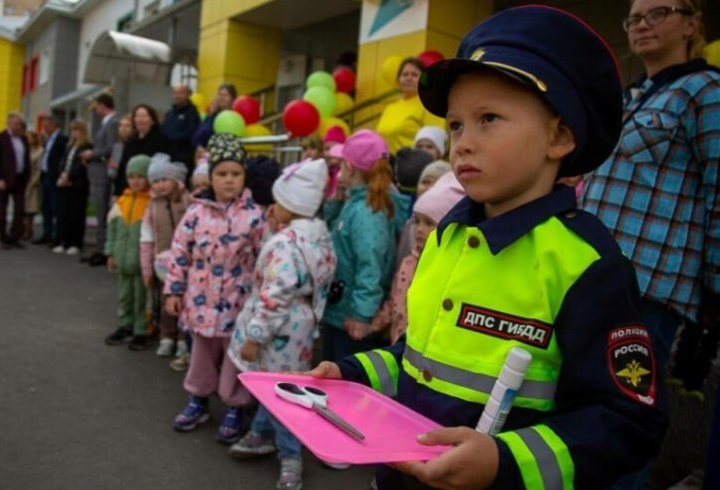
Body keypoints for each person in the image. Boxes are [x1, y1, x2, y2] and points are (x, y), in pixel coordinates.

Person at [308, 7, 667, 489]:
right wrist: (353, 374)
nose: (462, 144)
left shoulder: (586, 265)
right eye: (456, 125)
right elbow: (420, 361)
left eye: (488, 119)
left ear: (559, 136)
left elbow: (627, 422)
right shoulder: (445, 236)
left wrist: (504, 460)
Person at [582, 0, 719, 394]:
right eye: (634, 19)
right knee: (581, 402)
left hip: (649, 287)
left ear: (691, 23)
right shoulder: (633, 95)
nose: (642, 25)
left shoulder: (706, 90)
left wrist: (715, 288)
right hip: (594, 272)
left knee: (625, 410)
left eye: (658, 14)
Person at [227, 158, 337, 490]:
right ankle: (261, 433)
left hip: (278, 330)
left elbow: (274, 296)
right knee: (276, 386)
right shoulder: (319, 237)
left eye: (279, 202)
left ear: (290, 206)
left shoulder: (284, 244)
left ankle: (291, 457)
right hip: (301, 327)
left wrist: (255, 336)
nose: (273, 207)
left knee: (283, 395)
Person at [165, 133, 266, 443]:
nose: (229, 180)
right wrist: (173, 290)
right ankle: (198, 399)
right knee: (201, 355)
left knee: (234, 358)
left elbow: (266, 259)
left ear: (244, 176)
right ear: (211, 177)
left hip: (237, 304)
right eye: (222, 174)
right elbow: (179, 251)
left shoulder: (254, 216)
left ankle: (235, 405)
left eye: (236, 174)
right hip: (199, 303)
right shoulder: (196, 212)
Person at [321, 130, 409, 362]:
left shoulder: (367, 211)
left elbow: (370, 266)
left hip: (351, 320)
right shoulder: (357, 201)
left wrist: (361, 314)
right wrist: (336, 199)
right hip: (341, 311)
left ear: (349, 168)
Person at [372, 174, 465, 344]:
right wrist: (379, 321)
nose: (420, 230)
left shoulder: (450, 271)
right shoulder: (409, 262)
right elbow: (395, 298)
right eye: (417, 221)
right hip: (398, 347)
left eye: (429, 223)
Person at [138, 153, 191, 356]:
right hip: (163, 265)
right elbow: (146, 239)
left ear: (175, 179)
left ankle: (182, 338)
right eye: (156, 181)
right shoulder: (152, 207)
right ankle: (166, 336)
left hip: (187, 263)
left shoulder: (188, 201)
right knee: (165, 301)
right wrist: (146, 269)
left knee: (185, 302)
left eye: (164, 180)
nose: (160, 185)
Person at [103, 155, 154, 350]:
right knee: (124, 295)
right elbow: (112, 230)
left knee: (143, 298)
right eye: (131, 176)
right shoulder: (121, 202)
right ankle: (125, 324)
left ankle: (142, 329)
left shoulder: (151, 203)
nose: (135, 181)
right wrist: (111, 253)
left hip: (142, 264)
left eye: (140, 176)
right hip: (123, 260)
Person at [79, 94, 120, 267]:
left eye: (97, 106)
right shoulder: (106, 122)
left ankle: (103, 250)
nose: (96, 110)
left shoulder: (113, 123)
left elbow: (110, 147)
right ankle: (99, 247)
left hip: (103, 174)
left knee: (103, 212)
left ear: (103, 105)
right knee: (99, 212)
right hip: (97, 172)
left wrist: (92, 153)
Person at [375, 57, 445, 155]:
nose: (409, 78)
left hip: (413, 164)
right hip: (387, 165)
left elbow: (435, 141)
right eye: (405, 74)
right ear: (399, 79)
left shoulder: (429, 105)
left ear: (423, 79)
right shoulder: (390, 108)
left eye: (414, 75)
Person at [0, 113, 30, 249]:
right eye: (17, 124)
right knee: (2, 210)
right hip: (4, 179)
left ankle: (15, 237)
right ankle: (3, 238)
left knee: (19, 209)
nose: (19, 127)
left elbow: (26, 159)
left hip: (19, 179)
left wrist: (27, 176)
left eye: (21, 124)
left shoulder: (23, 139)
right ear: (9, 124)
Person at [53, 120, 92, 256]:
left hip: (78, 185)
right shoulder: (69, 146)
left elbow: (82, 166)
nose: (74, 133)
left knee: (76, 214)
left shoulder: (87, 146)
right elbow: (62, 162)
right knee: (63, 213)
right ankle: (61, 240)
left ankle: (75, 242)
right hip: (64, 182)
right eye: (73, 130)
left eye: (77, 130)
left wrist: (69, 177)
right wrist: (62, 174)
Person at [113, 104, 167, 197]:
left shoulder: (161, 140)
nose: (140, 119)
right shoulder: (131, 141)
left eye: (144, 116)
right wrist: (117, 192)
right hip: (129, 190)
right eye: (137, 116)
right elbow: (123, 168)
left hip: (151, 191)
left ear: (152, 120)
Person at [33, 116, 68, 245]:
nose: (44, 128)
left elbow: (62, 158)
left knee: (56, 207)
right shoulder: (47, 140)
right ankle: (47, 234)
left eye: (47, 126)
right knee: (45, 206)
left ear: (54, 125)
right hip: (45, 176)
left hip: (54, 177)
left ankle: (57, 236)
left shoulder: (62, 139)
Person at [162, 84, 201, 173]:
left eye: (180, 93)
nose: (177, 96)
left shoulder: (192, 113)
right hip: (168, 157)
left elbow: (191, 133)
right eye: (175, 93)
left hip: (184, 158)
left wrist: (171, 138)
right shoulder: (169, 113)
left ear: (188, 95)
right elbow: (163, 129)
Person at [191, 82, 237, 152]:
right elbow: (196, 137)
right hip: (205, 155)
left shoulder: (234, 118)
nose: (222, 97)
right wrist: (200, 148)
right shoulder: (211, 115)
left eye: (225, 95)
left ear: (232, 99)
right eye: (220, 94)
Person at [23, 130, 43, 241]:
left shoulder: (40, 151)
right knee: (22, 207)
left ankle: (28, 230)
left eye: (29, 138)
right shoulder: (26, 150)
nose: (27, 140)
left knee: (30, 208)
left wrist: (34, 181)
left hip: (32, 182)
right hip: (23, 181)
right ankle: (22, 228)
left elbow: (39, 169)